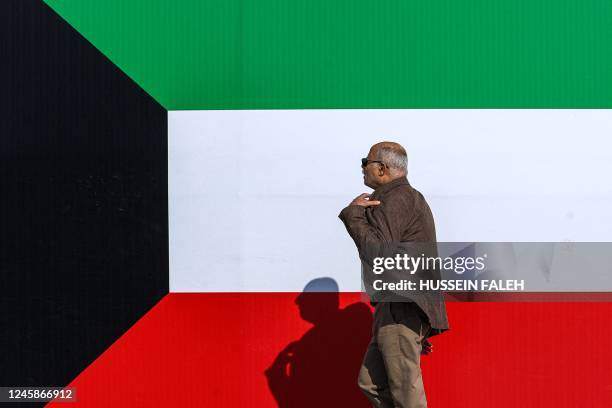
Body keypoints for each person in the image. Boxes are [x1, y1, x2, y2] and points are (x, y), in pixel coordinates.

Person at [339, 142, 448, 408]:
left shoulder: (397, 197)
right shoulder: (405, 197)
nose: (363, 168)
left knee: (405, 391)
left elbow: (378, 252)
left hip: (402, 303)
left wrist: (354, 214)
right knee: (372, 382)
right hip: (399, 305)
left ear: (382, 168)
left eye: (366, 161)